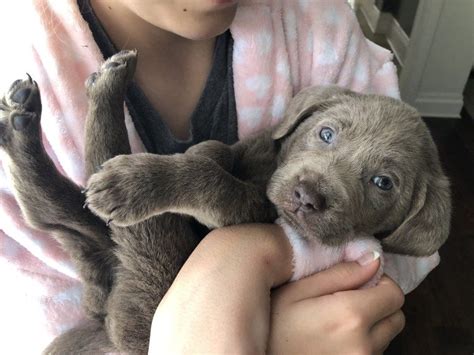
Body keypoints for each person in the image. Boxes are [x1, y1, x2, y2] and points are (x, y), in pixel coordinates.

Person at [0, 0, 436, 353]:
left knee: (134, 233)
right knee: (86, 230)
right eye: (325, 135)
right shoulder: (21, 49)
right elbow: (33, 308)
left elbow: (388, 279)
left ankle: (91, 116)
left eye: (382, 182)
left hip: (135, 321)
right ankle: (52, 142)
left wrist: (236, 265)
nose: (311, 192)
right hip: (117, 320)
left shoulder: (321, 27)